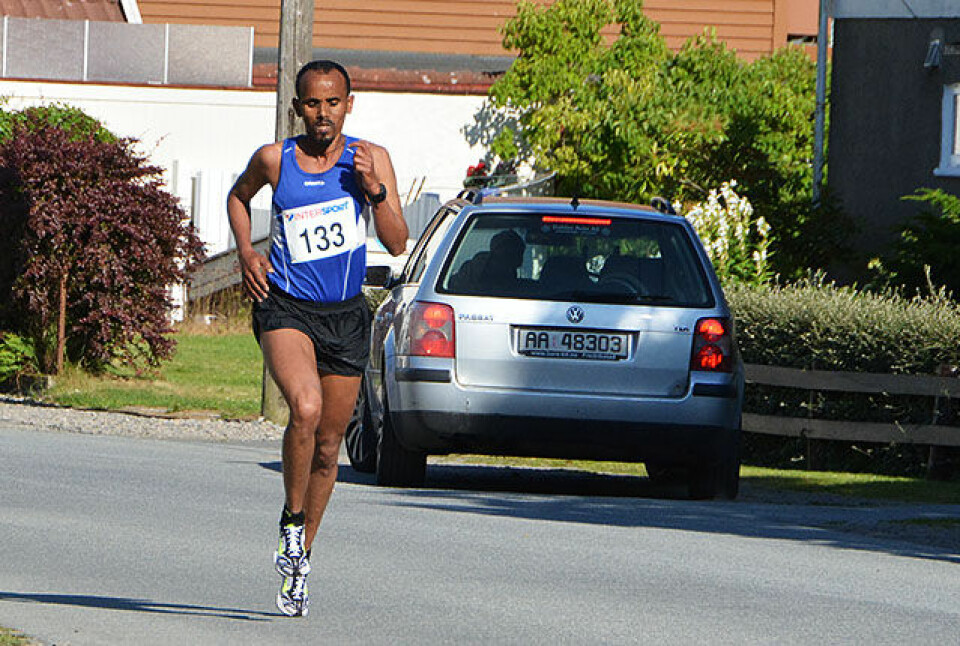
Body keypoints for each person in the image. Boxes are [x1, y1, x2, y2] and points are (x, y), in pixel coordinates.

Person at [226, 59, 408, 617]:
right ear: (297, 107)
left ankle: (299, 558)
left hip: (345, 315)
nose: (322, 113)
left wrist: (375, 191)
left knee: (330, 446)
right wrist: (247, 251)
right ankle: (291, 517)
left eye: (332, 102)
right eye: (312, 103)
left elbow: (397, 242)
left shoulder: (370, 158)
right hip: (285, 306)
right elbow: (238, 198)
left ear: (348, 105)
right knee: (304, 408)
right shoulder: (275, 159)